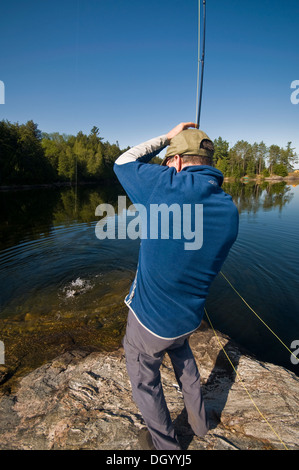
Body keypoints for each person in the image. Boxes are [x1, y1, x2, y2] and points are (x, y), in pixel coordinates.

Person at [113, 122, 239, 450]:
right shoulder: (229, 210)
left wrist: (166, 137)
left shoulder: (164, 185)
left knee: (145, 381)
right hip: (188, 319)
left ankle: (166, 448)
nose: (165, 167)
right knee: (182, 354)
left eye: (168, 160)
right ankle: (199, 424)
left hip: (149, 324)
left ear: (178, 162)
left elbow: (123, 162)